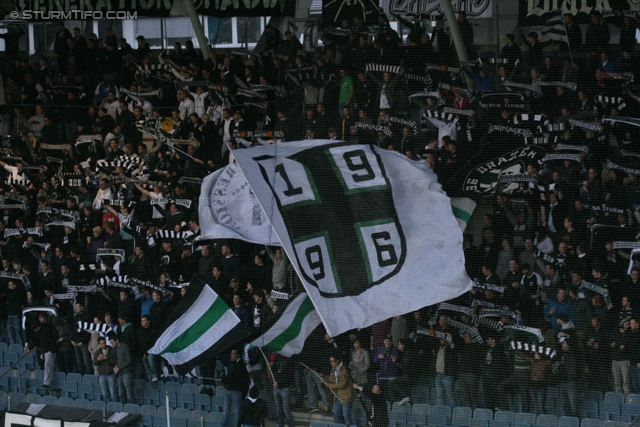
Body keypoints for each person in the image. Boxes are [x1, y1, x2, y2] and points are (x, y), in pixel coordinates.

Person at [218, 347, 250, 427]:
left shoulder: (240, 365)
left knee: (237, 410)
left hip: (236, 390)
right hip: (228, 389)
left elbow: (233, 377)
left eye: (233, 354)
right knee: (226, 410)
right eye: (231, 354)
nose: (231, 355)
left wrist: (223, 379)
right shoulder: (230, 364)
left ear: (238, 355)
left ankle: (239, 425)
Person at [323, 354, 354, 426]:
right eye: (330, 361)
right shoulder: (333, 370)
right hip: (337, 396)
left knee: (346, 414)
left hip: (346, 396)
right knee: (336, 413)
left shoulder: (344, 370)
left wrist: (330, 385)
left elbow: (342, 384)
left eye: (332, 361)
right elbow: (331, 379)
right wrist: (325, 379)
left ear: (337, 361)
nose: (331, 363)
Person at [27, 313, 56, 388]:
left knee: (48, 365)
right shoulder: (38, 333)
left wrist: (53, 351)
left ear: (38, 327)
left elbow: (52, 340)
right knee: (45, 365)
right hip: (44, 350)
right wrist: (30, 347)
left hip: (50, 350)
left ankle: (47, 382)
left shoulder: (47, 330)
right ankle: (45, 381)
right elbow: (36, 341)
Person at [270, 352, 296, 427]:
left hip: (285, 388)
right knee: (278, 410)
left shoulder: (290, 360)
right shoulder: (277, 358)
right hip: (276, 387)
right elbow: (274, 369)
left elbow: (289, 376)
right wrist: (271, 366)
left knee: (286, 410)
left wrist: (279, 383)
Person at [111, 334, 134, 404]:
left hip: (126, 373)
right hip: (120, 373)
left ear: (117, 340)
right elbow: (119, 360)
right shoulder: (116, 349)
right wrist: (116, 366)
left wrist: (119, 367)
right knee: (121, 392)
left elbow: (128, 360)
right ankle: (123, 409)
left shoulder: (124, 347)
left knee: (129, 393)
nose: (112, 344)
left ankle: (132, 410)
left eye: (112, 342)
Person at [93, 336, 118, 403]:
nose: (103, 345)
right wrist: (98, 360)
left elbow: (115, 361)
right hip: (102, 374)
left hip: (110, 374)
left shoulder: (112, 350)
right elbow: (94, 363)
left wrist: (107, 358)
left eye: (104, 343)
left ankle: (115, 407)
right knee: (105, 393)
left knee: (113, 393)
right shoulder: (97, 352)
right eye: (102, 344)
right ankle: (109, 408)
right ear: (99, 344)